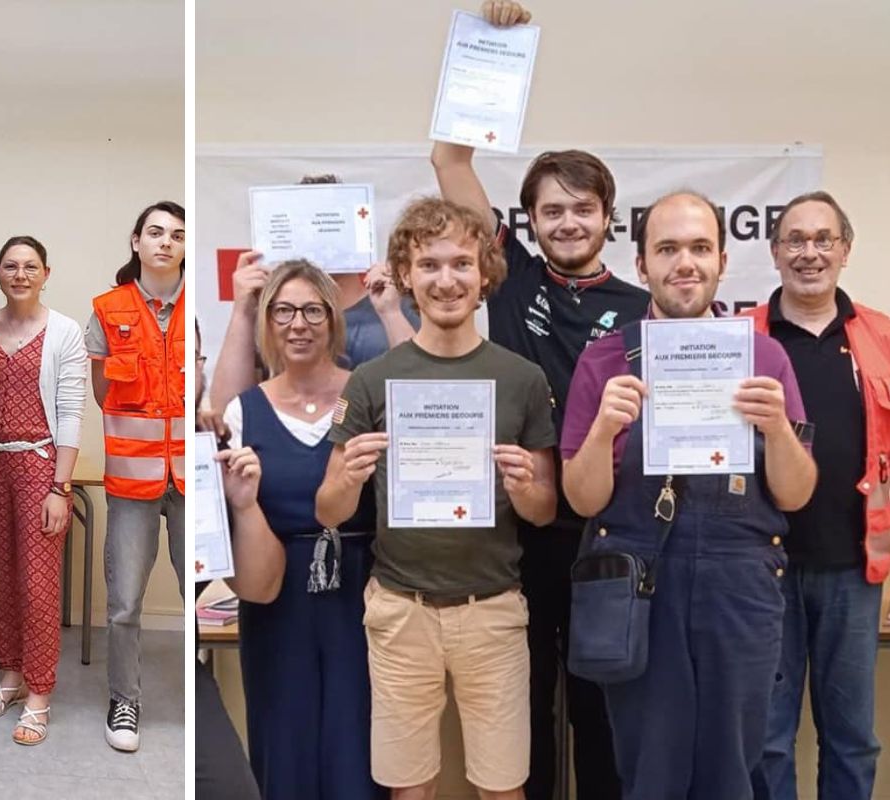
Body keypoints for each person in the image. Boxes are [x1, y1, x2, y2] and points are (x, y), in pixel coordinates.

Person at [430, 5, 649, 797]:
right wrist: (485, 43)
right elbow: (449, 157)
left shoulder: (641, 306)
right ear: (527, 221)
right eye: (551, 210)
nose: (566, 221)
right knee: (522, 712)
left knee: (602, 709)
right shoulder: (511, 275)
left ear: (606, 218)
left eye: (581, 209)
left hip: (606, 530)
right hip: (520, 528)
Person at [562, 191, 817, 800]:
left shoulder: (764, 357)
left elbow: (797, 492)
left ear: (723, 262)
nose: (686, 263)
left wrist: (778, 429)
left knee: (735, 765)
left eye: (700, 248)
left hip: (741, 586)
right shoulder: (603, 360)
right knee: (652, 767)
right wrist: (604, 428)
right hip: (642, 584)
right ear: (641, 264)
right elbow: (581, 499)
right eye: (668, 249)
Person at [317, 197, 558, 800]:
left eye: (461, 264)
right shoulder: (372, 379)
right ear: (405, 276)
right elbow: (328, 508)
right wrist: (348, 481)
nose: (445, 280)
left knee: (504, 787)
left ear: (485, 276)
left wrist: (527, 486)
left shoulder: (522, 378)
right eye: (428, 265)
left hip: (493, 611)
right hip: (402, 610)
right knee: (408, 787)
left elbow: (545, 510)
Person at [746, 192, 887, 800]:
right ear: (775, 252)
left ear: (845, 250)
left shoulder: (881, 337)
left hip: (854, 569)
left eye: (823, 239)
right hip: (760, 568)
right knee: (767, 735)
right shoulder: (742, 337)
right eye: (795, 240)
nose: (809, 253)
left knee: (852, 734)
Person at [224, 260, 380, 799]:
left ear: (334, 320)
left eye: (313, 310)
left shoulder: (366, 395)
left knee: (356, 741)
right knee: (282, 738)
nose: (299, 324)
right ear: (266, 321)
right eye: (283, 310)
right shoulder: (246, 410)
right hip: (276, 594)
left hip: (362, 594)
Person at [0, 236, 86, 745]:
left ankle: (39, 692)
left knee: (38, 587)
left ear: (46, 273)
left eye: (30, 266)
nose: (20, 274)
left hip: (41, 467)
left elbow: (72, 412)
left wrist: (61, 487)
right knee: (0, 578)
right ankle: (11, 675)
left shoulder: (63, 332)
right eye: (11, 266)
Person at [86, 201, 186, 751]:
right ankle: (125, 699)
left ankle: (206, 695)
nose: (166, 242)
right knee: (125, 601)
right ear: (136, 241)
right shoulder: (107, 309)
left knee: (207, 594)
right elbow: (102, 395)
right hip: (131, 481)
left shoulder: (200, 310)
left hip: (196, 480)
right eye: (155, 232)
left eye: (177, 234)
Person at [208, 174, 419, 417]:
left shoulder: (392, 305)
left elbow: (421, 398)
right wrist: (242, 311)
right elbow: (225, 413)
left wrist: (390, 312)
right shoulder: (273, 314)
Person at [195, 321, 261, 800]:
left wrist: (243, 504)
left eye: (193, 359)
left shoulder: (221, 451)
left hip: (194, 656)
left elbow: (249, 585)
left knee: (232, 788)